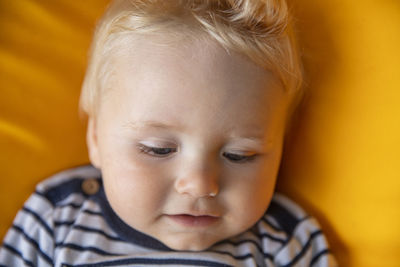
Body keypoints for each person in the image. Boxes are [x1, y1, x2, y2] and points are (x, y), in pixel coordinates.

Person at [0, 0, 337, 266]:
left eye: (240, 154)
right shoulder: (56, 218)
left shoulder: (284, 241)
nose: (200, 184)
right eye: (158, 149)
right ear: (96, 139)